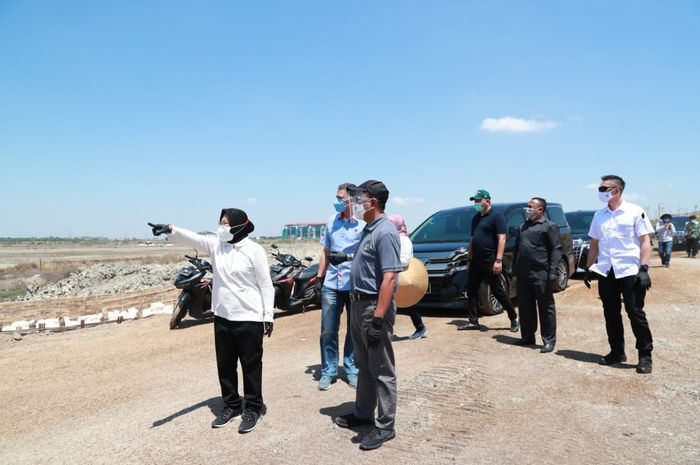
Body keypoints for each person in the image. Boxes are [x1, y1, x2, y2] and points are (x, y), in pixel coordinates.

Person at [148, 208, 274, 432]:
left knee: (251, 365)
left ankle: (253, 407)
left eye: (226, 223)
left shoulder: (254, 250)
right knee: (225, 364)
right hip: (223, 316)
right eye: (220, 222)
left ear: (237, 226)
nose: (221, 227)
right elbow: (193, 238)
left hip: (249, 318)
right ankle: (232, 405)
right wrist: (170, 229)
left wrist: (268, 316)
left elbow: (265, 285)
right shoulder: (217, 246)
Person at [333, 180, 402, 451]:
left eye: (359, 199)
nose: (356, 204)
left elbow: (390, 276)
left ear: (372, 202)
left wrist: (378, 319)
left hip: (373, 308)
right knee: (363, 365)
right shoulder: (368, 230)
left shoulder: (385, 232)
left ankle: (385, 426)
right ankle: (363, 413)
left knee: (382, 370)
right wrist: (348, 259)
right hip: (358, 304)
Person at [584, 175, 654, 374]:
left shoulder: (634, 211)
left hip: (630, 271)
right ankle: (617, 351)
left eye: (603, 188)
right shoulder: (599, 215)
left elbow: (645, 241)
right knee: (611, 313)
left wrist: (644, 269)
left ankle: (645, 355)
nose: (600, 190)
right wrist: (589, 267)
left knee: (635, 312)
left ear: (616, 190)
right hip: (607, 270)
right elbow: (595, 244)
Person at [315, 183, 364, 391]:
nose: (336, 201)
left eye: (340, 198)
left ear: (352, 199)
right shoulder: (331, 221)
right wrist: (319, 277)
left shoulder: (363, 223)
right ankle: (329, 370)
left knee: (354, 329)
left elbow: (367, 253)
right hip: (332, 283)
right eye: (336, 197)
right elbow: (326, 252)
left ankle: (351, 368)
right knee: (328, 329)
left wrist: (348, 257)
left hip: (354, 283)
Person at [457, 189, 519, 332]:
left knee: (497, 290)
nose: (476, 203)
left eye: (479, 200)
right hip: (476, 260)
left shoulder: (497, 216)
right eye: (475, 201)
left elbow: (502, 238)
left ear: (487, 200)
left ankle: (514, 318)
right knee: (471, 290)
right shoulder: (476, 218)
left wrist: (498, 260)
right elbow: (472, 239)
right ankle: (473, 321)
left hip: (490, 260)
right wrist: (469, 258)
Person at [511, 197, 562, 353]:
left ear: (540, 210)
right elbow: (517, 250)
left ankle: (548, 340)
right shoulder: (523, 227)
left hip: (541, 273)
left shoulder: (549, 226)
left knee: (546, 308)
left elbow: (556, 250)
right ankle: (527, 337)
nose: (527, 209)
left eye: (530, 206)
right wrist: (513, 270)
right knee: (525, 307)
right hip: (523, 274)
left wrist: (553, 272)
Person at [387, 214, 427, 340]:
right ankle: (387, 331)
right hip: (393, 274)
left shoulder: (404, 240)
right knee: (399, 303)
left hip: (401, 275)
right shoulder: (394, 238)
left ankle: (420, 327)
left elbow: (405, 260)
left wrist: (389, 262)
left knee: (407, 302)